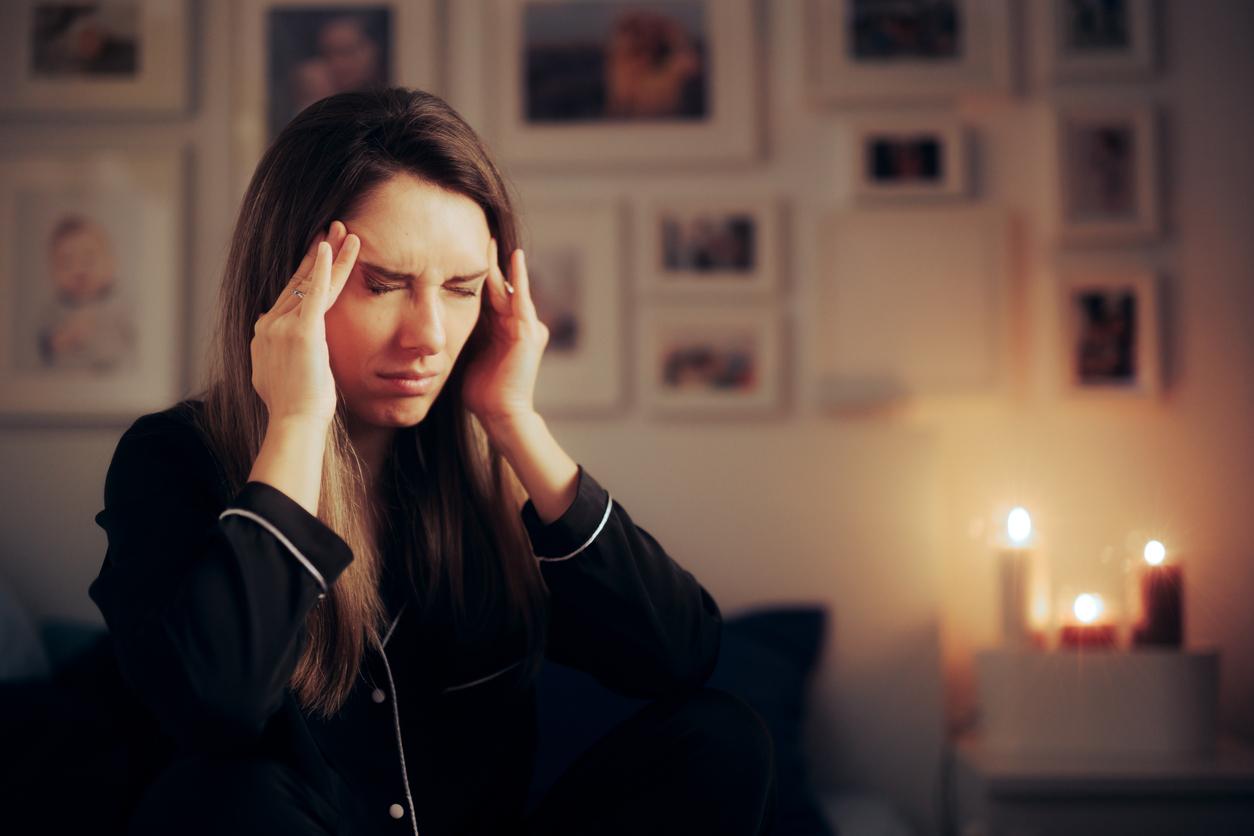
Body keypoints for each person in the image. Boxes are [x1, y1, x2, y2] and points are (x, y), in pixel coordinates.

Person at [88, 87, 777, 835]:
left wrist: (514, 423)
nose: (429, 335)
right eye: (383, 285)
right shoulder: (172, 461)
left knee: (722, 737)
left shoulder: (475, 486)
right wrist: (295, 423)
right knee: (226, 795)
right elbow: (215, 706)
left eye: (461, 290)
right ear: (288, 288)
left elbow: (680, 656)